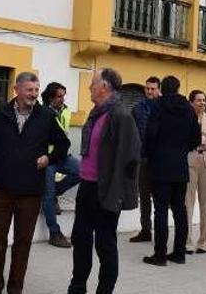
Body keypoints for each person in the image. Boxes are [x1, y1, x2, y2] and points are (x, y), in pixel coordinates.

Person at [0, 72, 71, 294]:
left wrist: (49, 158)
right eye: (29, 90)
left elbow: (63, 144)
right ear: (17, 90)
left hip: (30, 192)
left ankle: (15, 288)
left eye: (36, 90)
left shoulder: (45, 117)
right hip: (0, 190)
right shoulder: (0, 114)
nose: (34, 94)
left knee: (22, 243)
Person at [67, 68, 140, 294]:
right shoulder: (96, 112)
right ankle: (77, 287)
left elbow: (129, 160)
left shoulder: (121, 115)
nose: (90, 87)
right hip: (87, 186)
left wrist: (117, 196)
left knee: (105, 244)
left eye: (93, 83)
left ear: (105, 87)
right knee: (80, 239)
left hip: (107, 190)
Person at [142, 76, 200, 266]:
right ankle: (179, 253)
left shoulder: (158, 107)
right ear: (178, 88)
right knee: (180, 210)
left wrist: (148, 154)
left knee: (160, 211)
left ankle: (160, 255)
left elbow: (150, 134)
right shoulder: (188, 109)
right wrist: (182, 149)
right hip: (180, 166)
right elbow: (195, 138)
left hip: (160, 165)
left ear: (162, 89)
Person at [40, 81, 81, 248]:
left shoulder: (65, 111)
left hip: (63, 155)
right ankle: (54, 233)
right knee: (48, 195)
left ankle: (56, 190)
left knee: (83, 171)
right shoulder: (42, 113)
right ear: (50, 97)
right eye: (59, 96)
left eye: (63, 95)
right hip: (49, 159)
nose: (62, 99)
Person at [185, 90, 206, 255]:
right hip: (190, 163)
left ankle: (204, 242)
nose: (202, 103)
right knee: (187, 204)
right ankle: (187, 242)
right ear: (191, 102)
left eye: (204, 100)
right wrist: (205, 140)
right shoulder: (185, 118)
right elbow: (184, 139)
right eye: (198, 100)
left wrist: (199, 142)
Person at [129, 76, 161, 243]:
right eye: (147, 88)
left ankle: (160, 231)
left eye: (153, 89)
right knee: (144, 196)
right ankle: (146, 230)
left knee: (159, 198)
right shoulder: (137, 109)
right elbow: (132, 134)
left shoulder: (164, 107)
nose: (149, 91)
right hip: (143, 158)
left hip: (160, 159)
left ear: (159, 89)